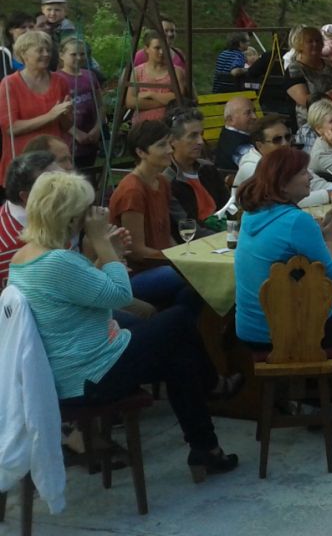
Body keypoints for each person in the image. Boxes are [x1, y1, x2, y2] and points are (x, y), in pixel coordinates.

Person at [10, 171, 240, 483]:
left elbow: (87, 291)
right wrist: (104, 247)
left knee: (179, 355)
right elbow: (120, 295)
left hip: (78, 368)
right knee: (178, 320)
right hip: (89, 377)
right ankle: (212, 388)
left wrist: (109, 255)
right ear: (70, 216)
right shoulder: (56, 262)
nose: (94, 215)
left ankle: (207, 448)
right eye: (87, 210)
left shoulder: (26, 257)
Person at [235, 147, 332, 348]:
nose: (310, 177)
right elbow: (331, 277)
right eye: (304, 173)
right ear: (283, 184)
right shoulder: (297, 221)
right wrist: (331, 241)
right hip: (285, 334)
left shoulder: (250, 215)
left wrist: (319, 235)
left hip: (249, 330)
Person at [107, 120, 190, 307]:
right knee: (182, 276)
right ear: (141, 152)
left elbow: (165, 234)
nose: (169, 150)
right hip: (136, 274)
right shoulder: (133, 191)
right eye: (161, 145)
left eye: (169, 143)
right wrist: (178, 262)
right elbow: (136, 251)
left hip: (161, 264)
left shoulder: (162, 182)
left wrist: (183, 257)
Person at [0, 30, 71, 187]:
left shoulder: (60, 81)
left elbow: (66, 127)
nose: (46, 54)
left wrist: (65, 114)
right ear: (24, 54)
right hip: (23, 162)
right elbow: (10, 128)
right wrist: (50, 115)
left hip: (54, 161)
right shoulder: (9, 83)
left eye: (48, 50)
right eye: (40, 50)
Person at [234, 114, 332, 209]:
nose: (285, 143)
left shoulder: (287, 159)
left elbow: (318, 184)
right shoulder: (251, 167)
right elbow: (285, 200)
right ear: (260, 145)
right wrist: (329, 194)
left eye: (287, 137)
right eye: (277, 140)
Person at [0, 150, 58, 288]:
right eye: (53, 186)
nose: (68, 188)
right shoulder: (10, 247)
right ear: (27, 197)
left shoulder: (47, 215)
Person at [168, 108, 230, 227]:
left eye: (201, 135)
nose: (200, 141)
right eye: (193, 136)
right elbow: (186, 226)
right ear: (173, 141)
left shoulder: (209, 169)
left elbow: (228, 207)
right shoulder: (168, 180)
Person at [50, 37, 101, 172]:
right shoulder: (56, 79)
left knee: (89, 173)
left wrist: (97, 128)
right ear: (61, 55)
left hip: (91, 137)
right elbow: (55, 111)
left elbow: (100, 105)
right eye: (73, 54)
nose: (79, 58)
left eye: (82, 54)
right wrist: (76, 133)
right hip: (69, 139)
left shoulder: (90, 75)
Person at [284, 26, 332, 143]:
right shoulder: (294, 69)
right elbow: (305, 100)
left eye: (318, 40)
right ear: (300, 45)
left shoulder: (330, 64)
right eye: (310, 41)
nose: (315, 44)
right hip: (311, 126)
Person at [127, 29, 187, 124]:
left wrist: (151, 94)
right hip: (143, 125)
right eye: (157, 48)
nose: (161, 52)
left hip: (169, 125)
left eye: (164, 47)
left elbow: (178, 98)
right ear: (146, 49)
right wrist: (165, 101)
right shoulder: (137, 72)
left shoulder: (176, 72)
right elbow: (130, 101)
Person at [214, 96, 257, 172]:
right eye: (248, 113)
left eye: (254, 111)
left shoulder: (228, 134)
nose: (255, 117)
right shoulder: (239, 147)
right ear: (230, 120)